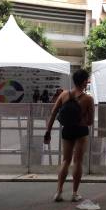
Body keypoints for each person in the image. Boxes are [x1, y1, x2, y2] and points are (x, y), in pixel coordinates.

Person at [44, 70, 94, 202]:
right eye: (87, 80)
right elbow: (90, 121)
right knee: (77, 161)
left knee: (66, 160)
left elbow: (54, 113)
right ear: (84, 82)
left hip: (67, 130)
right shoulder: (88, 99)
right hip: (81, 131)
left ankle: (59, 192)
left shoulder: (64, 94)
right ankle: (74, 193)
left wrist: (48, 132)